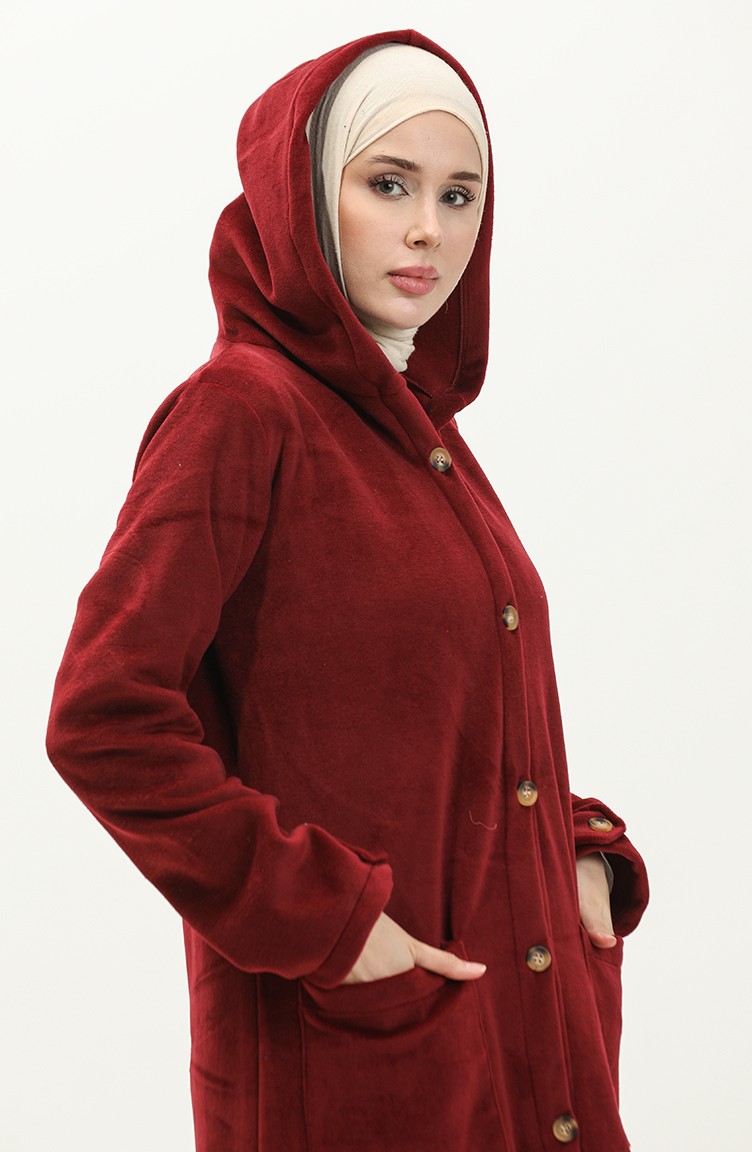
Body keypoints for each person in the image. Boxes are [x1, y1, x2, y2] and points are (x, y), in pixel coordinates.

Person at [47, 28, 649, 1152]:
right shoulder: (242, 413)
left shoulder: (419, 434)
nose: (430, 229)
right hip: (353, 1060)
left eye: (459, 195)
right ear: (303, 196)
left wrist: (574, 853)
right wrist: (326, 917)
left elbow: (437, 717)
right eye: (388, 184)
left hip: (518, 1034)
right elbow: (104, 716)